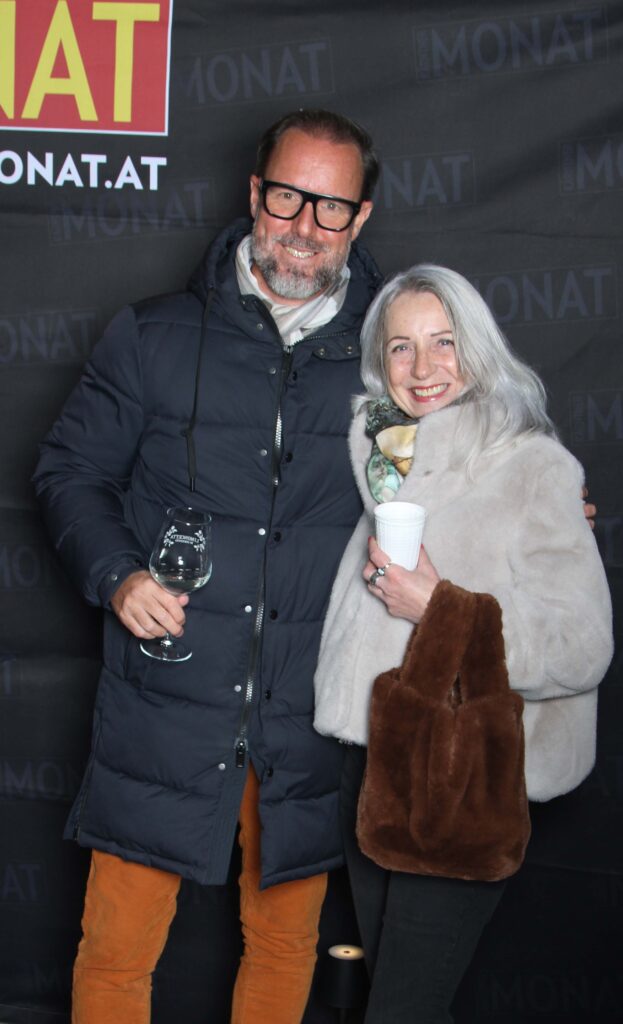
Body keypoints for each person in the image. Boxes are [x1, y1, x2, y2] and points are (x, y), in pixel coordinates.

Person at [33, 108, 380, 1024]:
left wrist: (542, 505)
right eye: (287, 196)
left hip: (307, 710)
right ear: (254, 193)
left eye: (330, 206)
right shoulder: (153, 335)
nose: (304, 225)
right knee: (115, 953)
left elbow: (467, 474)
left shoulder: (395, 353)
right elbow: (68, 472)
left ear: (360, 218)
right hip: (165, 702)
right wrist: (118, 574)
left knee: (284, 946)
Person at [313, 264, 613, 1024]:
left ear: (477, 348)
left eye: (443, 342)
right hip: (372, 764)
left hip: (461, 774)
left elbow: (581, 644)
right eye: (401, 347)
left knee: (401, 1012)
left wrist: (438, 609)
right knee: (397, 1001)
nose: (422, 368)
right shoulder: (385, 459)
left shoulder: (532, 465)